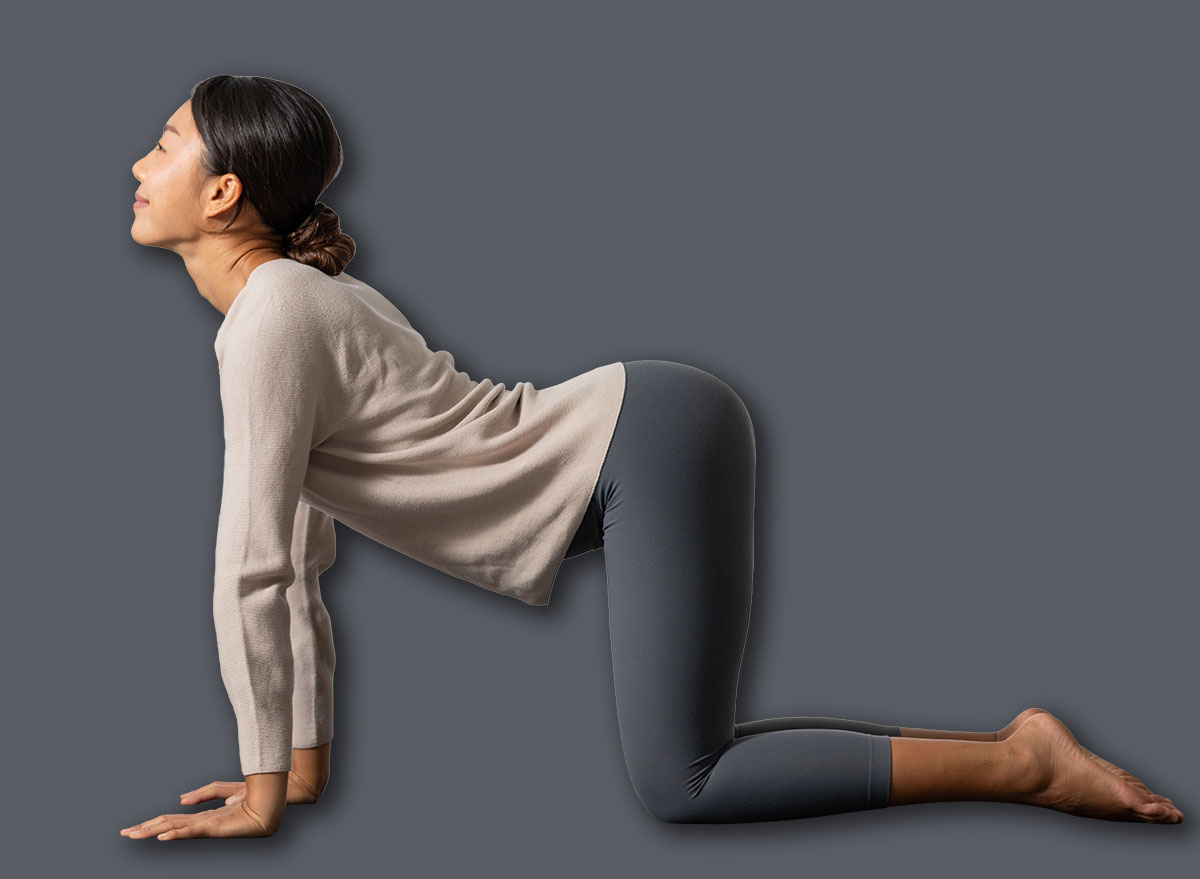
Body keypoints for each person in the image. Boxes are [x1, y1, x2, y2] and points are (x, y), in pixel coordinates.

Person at [121, 75, 1183, 841]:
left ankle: (1023, 761)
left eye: (165, 143)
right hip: (650, 432)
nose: (139, 162)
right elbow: (298, 559)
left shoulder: (271, 317)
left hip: (641, 443)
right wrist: (293, 775)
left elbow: (251, 567)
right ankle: (1021, 754)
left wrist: (260, 794)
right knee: (691, 755)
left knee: (686, 781)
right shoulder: (295, 307)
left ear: (223, 194)